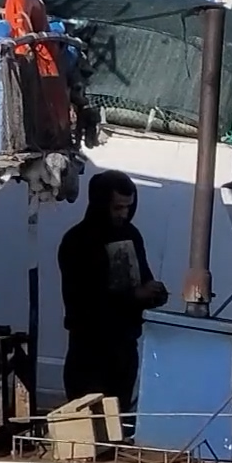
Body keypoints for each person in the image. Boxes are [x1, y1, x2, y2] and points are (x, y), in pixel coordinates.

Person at [58, 170, 168, 406]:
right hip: (89, 350)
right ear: (101, 204)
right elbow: (83, 298)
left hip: (124, 348)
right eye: (117, 208)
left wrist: (154, 293)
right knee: (88, 425)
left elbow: (142, 278)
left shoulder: (131, 234)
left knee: (118, 419)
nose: (124, 214)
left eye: (128, 207)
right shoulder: (77, 242)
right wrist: (134, 296)